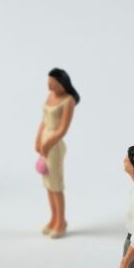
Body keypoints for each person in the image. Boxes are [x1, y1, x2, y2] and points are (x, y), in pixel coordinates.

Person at [35, 68, 79, 238]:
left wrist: (47, 144)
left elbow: (62, 130)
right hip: (45, 140)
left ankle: (61, 222)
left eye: (53, 82)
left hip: (54, 145)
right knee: (48, 184)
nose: (49, 85)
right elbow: (43, 121)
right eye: (48, 81)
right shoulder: (50, 97)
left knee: (56, 184)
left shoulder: (68, 101)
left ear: (62, 83)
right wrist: (38, 140)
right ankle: (53, 218)